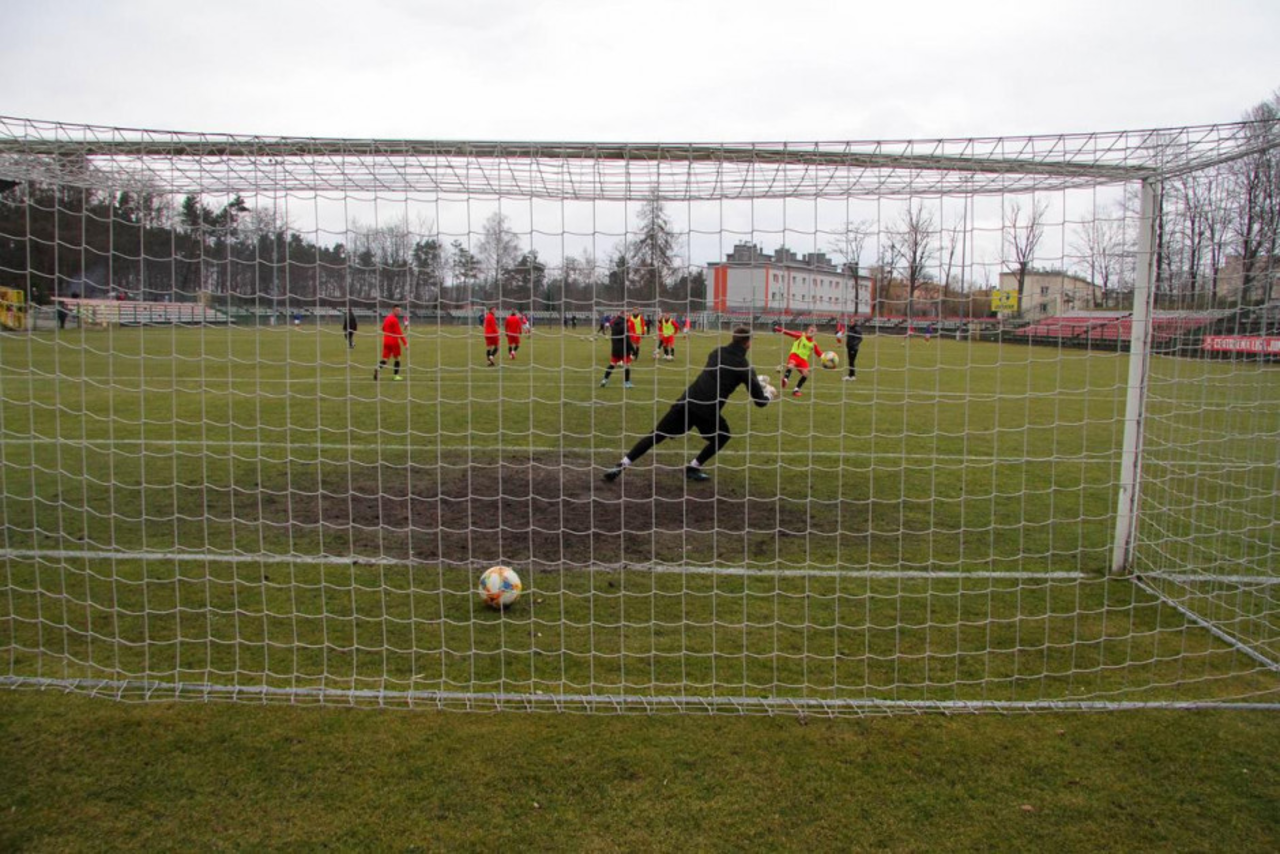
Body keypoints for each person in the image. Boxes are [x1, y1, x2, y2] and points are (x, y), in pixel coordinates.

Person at [603, 326, 771, 483]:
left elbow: (724, 372)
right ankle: (693, 467)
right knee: (723, 436)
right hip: (708, 410)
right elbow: (760, 402)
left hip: (688, 401)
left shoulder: (717, 353)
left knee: (656, 435)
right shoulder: (744, 367)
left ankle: (620, 466)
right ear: (748, 343)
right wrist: (768, 393)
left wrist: (753, 378)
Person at [775, 323, 826, 398]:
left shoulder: (813, 343)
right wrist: (778, 329)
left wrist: (827, 358)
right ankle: (785, 379)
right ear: (807, 330)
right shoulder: (801, 335)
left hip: (803, 361)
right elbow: (789, 333)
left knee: (806, 373)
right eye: (811, 330)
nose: (812, 332)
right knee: (791, 365)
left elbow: (819, 354)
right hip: (794, 356)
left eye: (814, 331)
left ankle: (796, 390)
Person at [600, 311, 634, 388]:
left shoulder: (614, 323)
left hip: (615, 348)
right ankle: (627, 383)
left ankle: (604, 380)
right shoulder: (624, 325)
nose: (628, 316)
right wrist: (633, 349)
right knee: (627, 366)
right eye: (627, 315)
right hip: (624, 348)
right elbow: (627, 339)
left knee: (612, 364)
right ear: (623, 315)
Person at [373, 305, 407, 381]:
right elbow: (399, 333)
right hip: (393, 341)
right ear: (393, 310)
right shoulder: (394, 320)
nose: (399, 312)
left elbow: (383, 328)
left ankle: (377, 368)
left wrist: (389, 331)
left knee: (385, 359)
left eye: (400, 310)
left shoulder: (387, 318)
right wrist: (405, 343)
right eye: (397, 310)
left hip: (386, 341)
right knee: (397, 359)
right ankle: (396, 376)